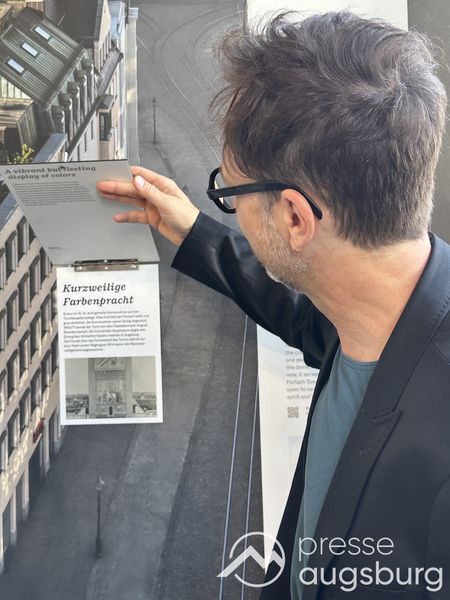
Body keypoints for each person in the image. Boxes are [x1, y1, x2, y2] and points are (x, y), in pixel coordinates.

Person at [97, 11, 450, 600]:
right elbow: (300, 313)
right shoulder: (369, 313)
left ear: (294, 217)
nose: (228, 204)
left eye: (229, 192)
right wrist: (195, 231)